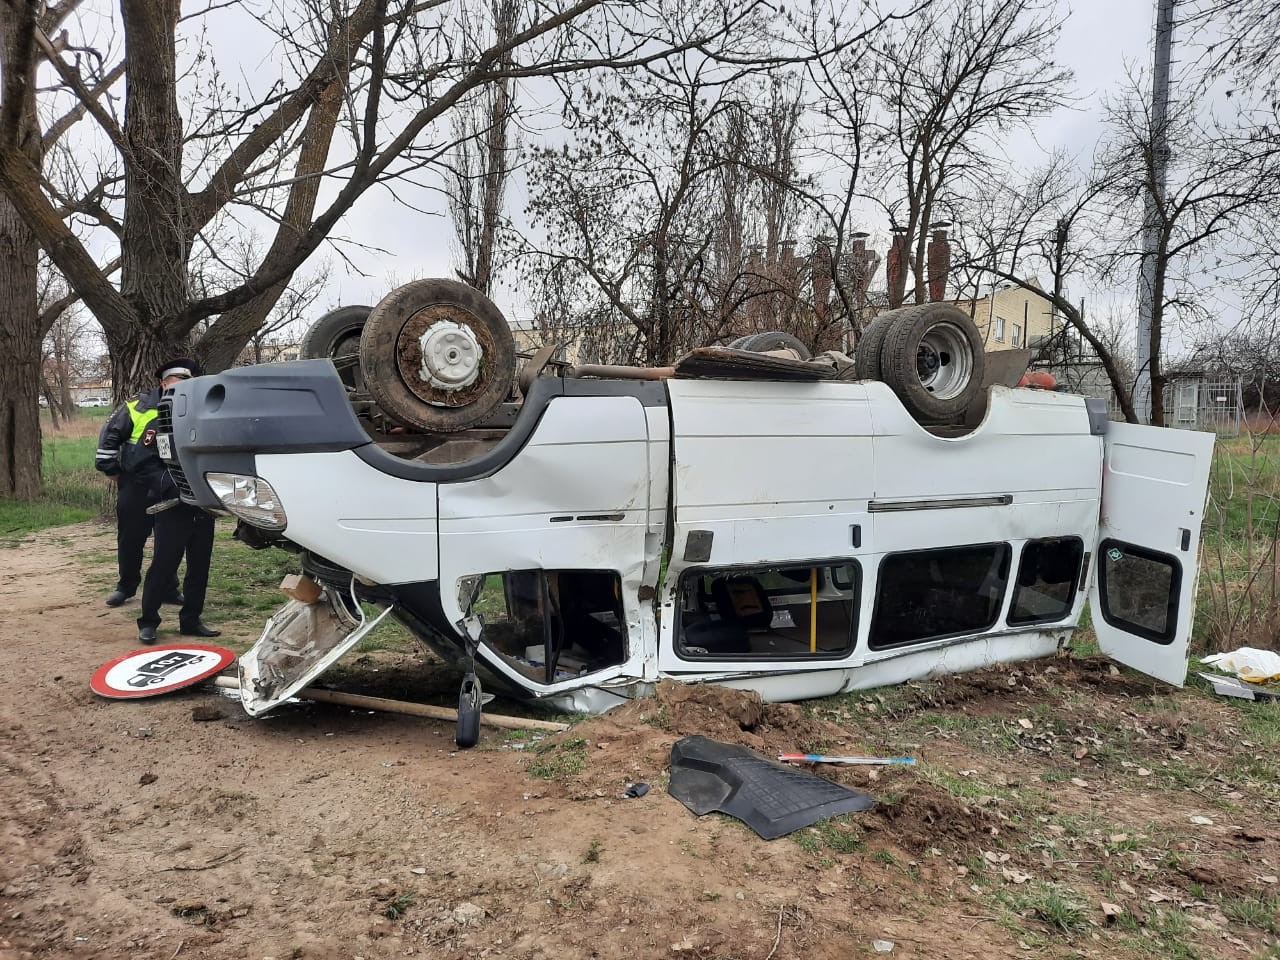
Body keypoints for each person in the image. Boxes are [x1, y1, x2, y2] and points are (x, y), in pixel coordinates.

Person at [132, 358, 220, 643]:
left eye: (187, 387)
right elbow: (142, 465)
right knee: (163, 566)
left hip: (203, 507)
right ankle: (148, 622)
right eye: (176, 386)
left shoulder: (205, 423)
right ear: (164, 387)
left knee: (199, 567)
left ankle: (191, 620)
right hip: (173, 507)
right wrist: (174, 486)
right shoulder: (159, 425)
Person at [96, 365, 186, 608]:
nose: (183, 389)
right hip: (136, 484)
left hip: (172, 484)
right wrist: (117, 474)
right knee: (131, 540)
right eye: (178, 383)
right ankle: (125, 587)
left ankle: (168, 587)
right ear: (165, 384)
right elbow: (108, 441)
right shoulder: (137, 406)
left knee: (170, 541)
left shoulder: (191, 407)